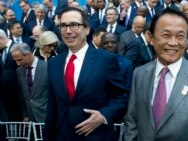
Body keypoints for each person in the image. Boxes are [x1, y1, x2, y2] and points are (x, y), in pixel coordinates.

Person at [124, 8, 188, 141]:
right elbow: (132, 121)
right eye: (166, 35)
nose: (173, 43)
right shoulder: (140, 74)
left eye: (180, 36)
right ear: (151, 37)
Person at [44, 7, 129, 141]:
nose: (68, 31)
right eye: (63, 26)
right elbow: (52, 108)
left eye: (74, 25)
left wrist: (104, 115)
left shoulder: (106, 60)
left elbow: (123, 96)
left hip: (97, 136)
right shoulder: (53, 64)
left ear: (87, 29)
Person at [11, 43, 48, 123]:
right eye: (16, 61)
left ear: (29, 54)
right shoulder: (19, 71)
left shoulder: (47, 67)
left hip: (46, 117)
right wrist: (25, 114)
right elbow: (22, 95)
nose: (18, 64)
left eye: (20, 60)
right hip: (30, 120)